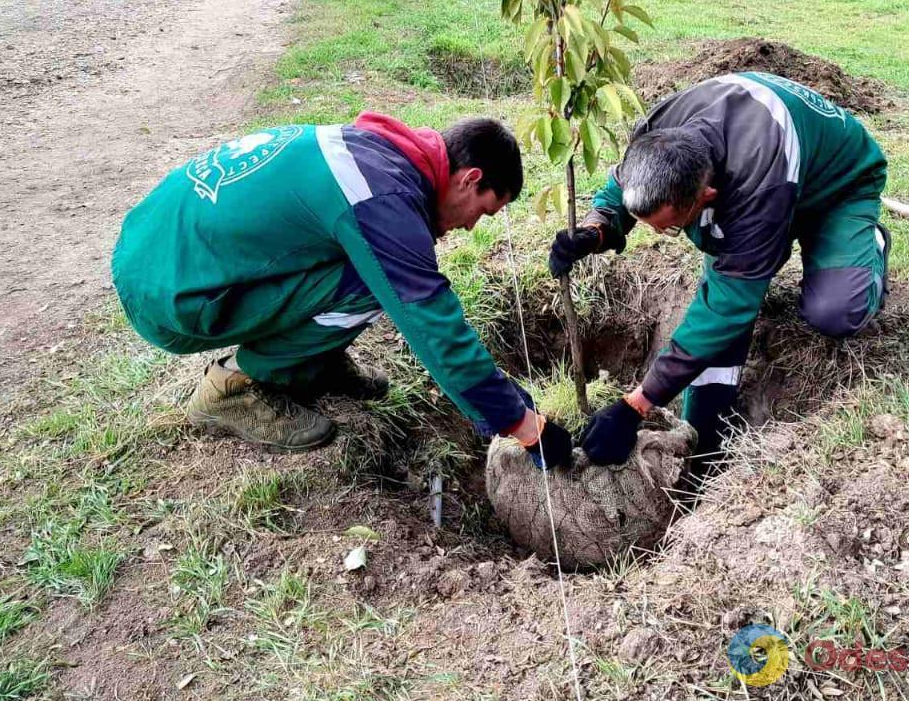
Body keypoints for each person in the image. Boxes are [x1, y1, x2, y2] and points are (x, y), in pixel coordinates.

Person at [112, 113, 572, 469]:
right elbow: (437, 332)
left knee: (364, 260)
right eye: (483, 211)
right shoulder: (383, 202)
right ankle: (233, 385)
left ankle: (309, 362)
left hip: (151, 244)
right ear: (470, 178)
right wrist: (524, 425)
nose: (472, 226)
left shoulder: (380, 151)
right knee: (374, 283)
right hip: (169, 296)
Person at [549, 72, 890, 468]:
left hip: (836, 183)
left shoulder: (759, 189)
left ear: (707, 195)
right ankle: (706, 437)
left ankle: (868, 250)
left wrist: (634, 406)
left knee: (833, 311)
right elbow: (621, 193)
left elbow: (728, 307)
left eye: (670, 224)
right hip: (776, 164)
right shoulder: (659, 133)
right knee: (723, 311)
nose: (660, 233)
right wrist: (594, 232)